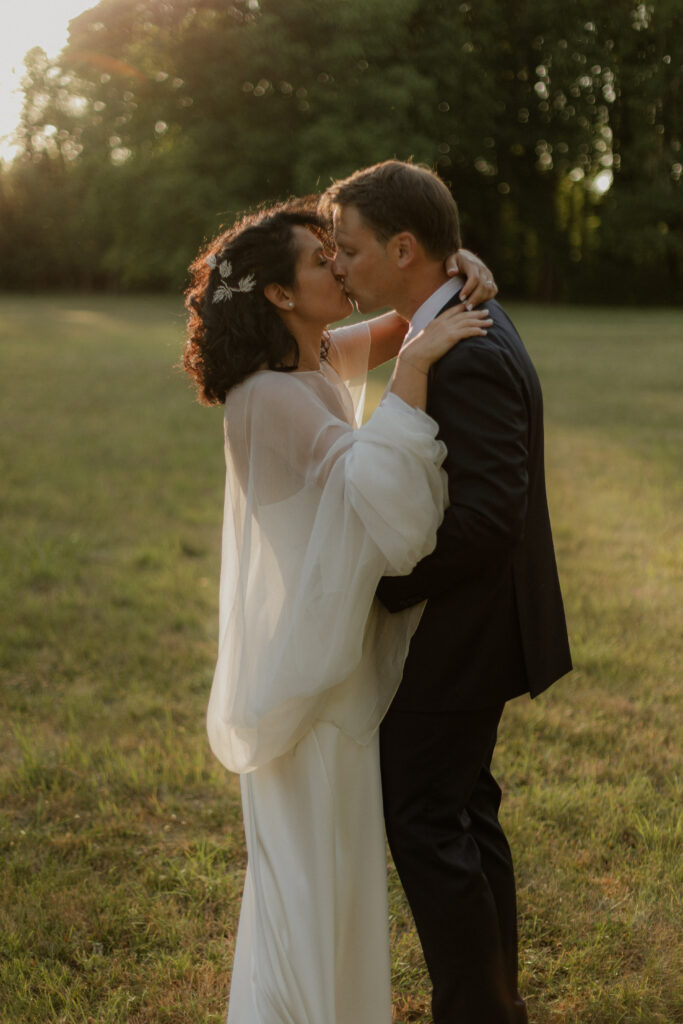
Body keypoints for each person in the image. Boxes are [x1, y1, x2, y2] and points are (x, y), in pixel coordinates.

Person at [182, 199, 498, 1023]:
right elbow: (379, 502)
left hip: (336, 656)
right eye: (322, 260)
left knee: (340, 870)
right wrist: (417, 373)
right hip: (312, 672)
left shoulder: (319, 361)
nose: (341, 268)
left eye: (340, 253)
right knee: (314, 875)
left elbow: (404, 319)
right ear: (280, 296)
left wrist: (459, 271)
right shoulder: (267, 397)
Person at [323, 160, 573, 1024]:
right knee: (463, 810)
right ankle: (493, 1004)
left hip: (464, 629)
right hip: (476, 624)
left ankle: (477, 1011)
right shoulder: (455, 313)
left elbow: (488, 520)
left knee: (426, 820)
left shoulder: (465, 347)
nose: (339, 266)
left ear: (402, 247)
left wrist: (387, 589)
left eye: (348, 249)